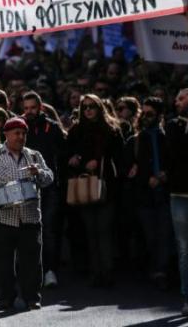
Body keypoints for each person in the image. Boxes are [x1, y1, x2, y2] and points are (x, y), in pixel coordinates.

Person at [0, 116, 53, 311]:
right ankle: (6, 297)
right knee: (3, 262)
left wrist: (39, 173)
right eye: (16, 133)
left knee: (31, 261)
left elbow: (49, 177)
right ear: (6, 134)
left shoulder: (34, 156)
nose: (20, 137)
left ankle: (32, 297)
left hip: (30, 216)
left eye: (23, 133)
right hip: (2, 217)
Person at [66, 94, 125, 287]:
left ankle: (107, 272)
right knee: (91, 231)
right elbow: (68, 156)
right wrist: (78, 160)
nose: (88, 110)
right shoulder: (76, 131)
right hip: (85, 185)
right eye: (85, 107)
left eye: (92, 106)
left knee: (104, 230)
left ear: (100, 108)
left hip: (107, 185)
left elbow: (120, 157)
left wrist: (100, 162)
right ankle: (96, 272)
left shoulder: (111, 130)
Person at [126, 96, 174, 291]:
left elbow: (176, 162)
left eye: (150, 114)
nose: (146, 118)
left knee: (165, 235)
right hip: (144, 196)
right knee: (150, 236)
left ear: (159, 115)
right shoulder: (135, 141)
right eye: (143, 114)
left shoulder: (168, 137)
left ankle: (162, 271)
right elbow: (128, 170)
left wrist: (165, 175)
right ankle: (153, 269)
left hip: (165, 194)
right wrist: (144, 178)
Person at [22, 90, 67, 288]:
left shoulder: (52, 127)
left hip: (48, 186)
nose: (29, 111)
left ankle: (50, 270)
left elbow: (63, 154)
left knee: (48, 229)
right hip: (25, 186)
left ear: (40, 107)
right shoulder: (19, 127)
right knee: (28, 231)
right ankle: (32, 271)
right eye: (26, 108)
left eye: (33, 108)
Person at [166, 88, 188, 316]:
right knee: (185, 249)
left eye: (182, 98)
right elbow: (176, 154)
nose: (176, 102)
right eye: (176, 98)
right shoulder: (174, 126)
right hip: (181, 196)